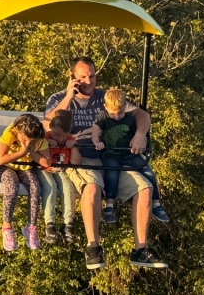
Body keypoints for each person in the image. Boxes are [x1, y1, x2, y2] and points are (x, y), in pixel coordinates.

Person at [45, 56, 168, 269]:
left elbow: (141, 114)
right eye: (82, 76)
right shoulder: (58, 99)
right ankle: (93, 247)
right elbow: (48, 126)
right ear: (72, 76)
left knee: (145, 187)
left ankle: (140, 249)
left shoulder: (106, 98)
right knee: (92, 187)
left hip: (112, 158)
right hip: (81, 157)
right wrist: (68, 96)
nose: (88, 80)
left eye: (92, 75)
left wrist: (140, 134)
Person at [91, 88, 168, 225]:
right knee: (112, 174)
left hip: (129, 154)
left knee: (148, 173)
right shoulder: (103, 116)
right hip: (111, 155)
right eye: (113, 114)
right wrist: (97, 141)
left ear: (125, 107)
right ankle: (109, 205)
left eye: (120, 113)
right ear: (106, 108)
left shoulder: (130, 119)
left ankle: (156, 203)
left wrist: (140, 138)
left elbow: (139, 131)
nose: (116, 116)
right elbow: (95, 129)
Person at [0, 114, 48, 251]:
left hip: (24, 167)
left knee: (36, 187)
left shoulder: (39, 138)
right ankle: (7, 227)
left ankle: (31, 227)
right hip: (6, 166)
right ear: (18, 132)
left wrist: (30, 152)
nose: (27, 141)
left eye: (31, 140)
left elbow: (46, 162)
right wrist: (23, 151)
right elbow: (0, 159)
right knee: (12, 186)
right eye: (24, 138)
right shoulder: (11, 132)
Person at [35, 109, 81, 244]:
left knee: (68, 188)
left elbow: (76, 163)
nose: (60, 139)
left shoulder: (70, 140)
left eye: (64, 136)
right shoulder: (44, 138)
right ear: (51, 127)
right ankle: (50, 224)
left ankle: (68, 224)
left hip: (61, 170)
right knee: (51, 187)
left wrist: (73, 147)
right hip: (44, 169)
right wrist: (45, 145)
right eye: (57, 134)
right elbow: (34, 152)